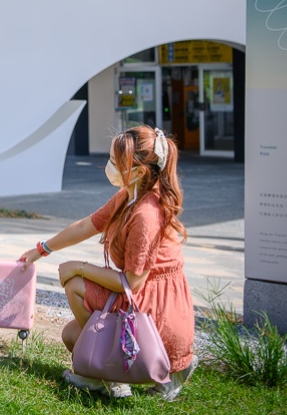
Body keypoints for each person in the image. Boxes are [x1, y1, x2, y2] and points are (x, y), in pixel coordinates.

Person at [19, 125, 196, 400]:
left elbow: (133, 283)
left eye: (115, 162)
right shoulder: (131, 194)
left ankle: (114, 374)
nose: (108, 166)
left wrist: (80, 267)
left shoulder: (146, 215)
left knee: (75, 285)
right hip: (140, 292)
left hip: (151, 306)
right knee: (72, 336)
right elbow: (85, 226)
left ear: (138, 171)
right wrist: (41, 250)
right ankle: (109, 370)